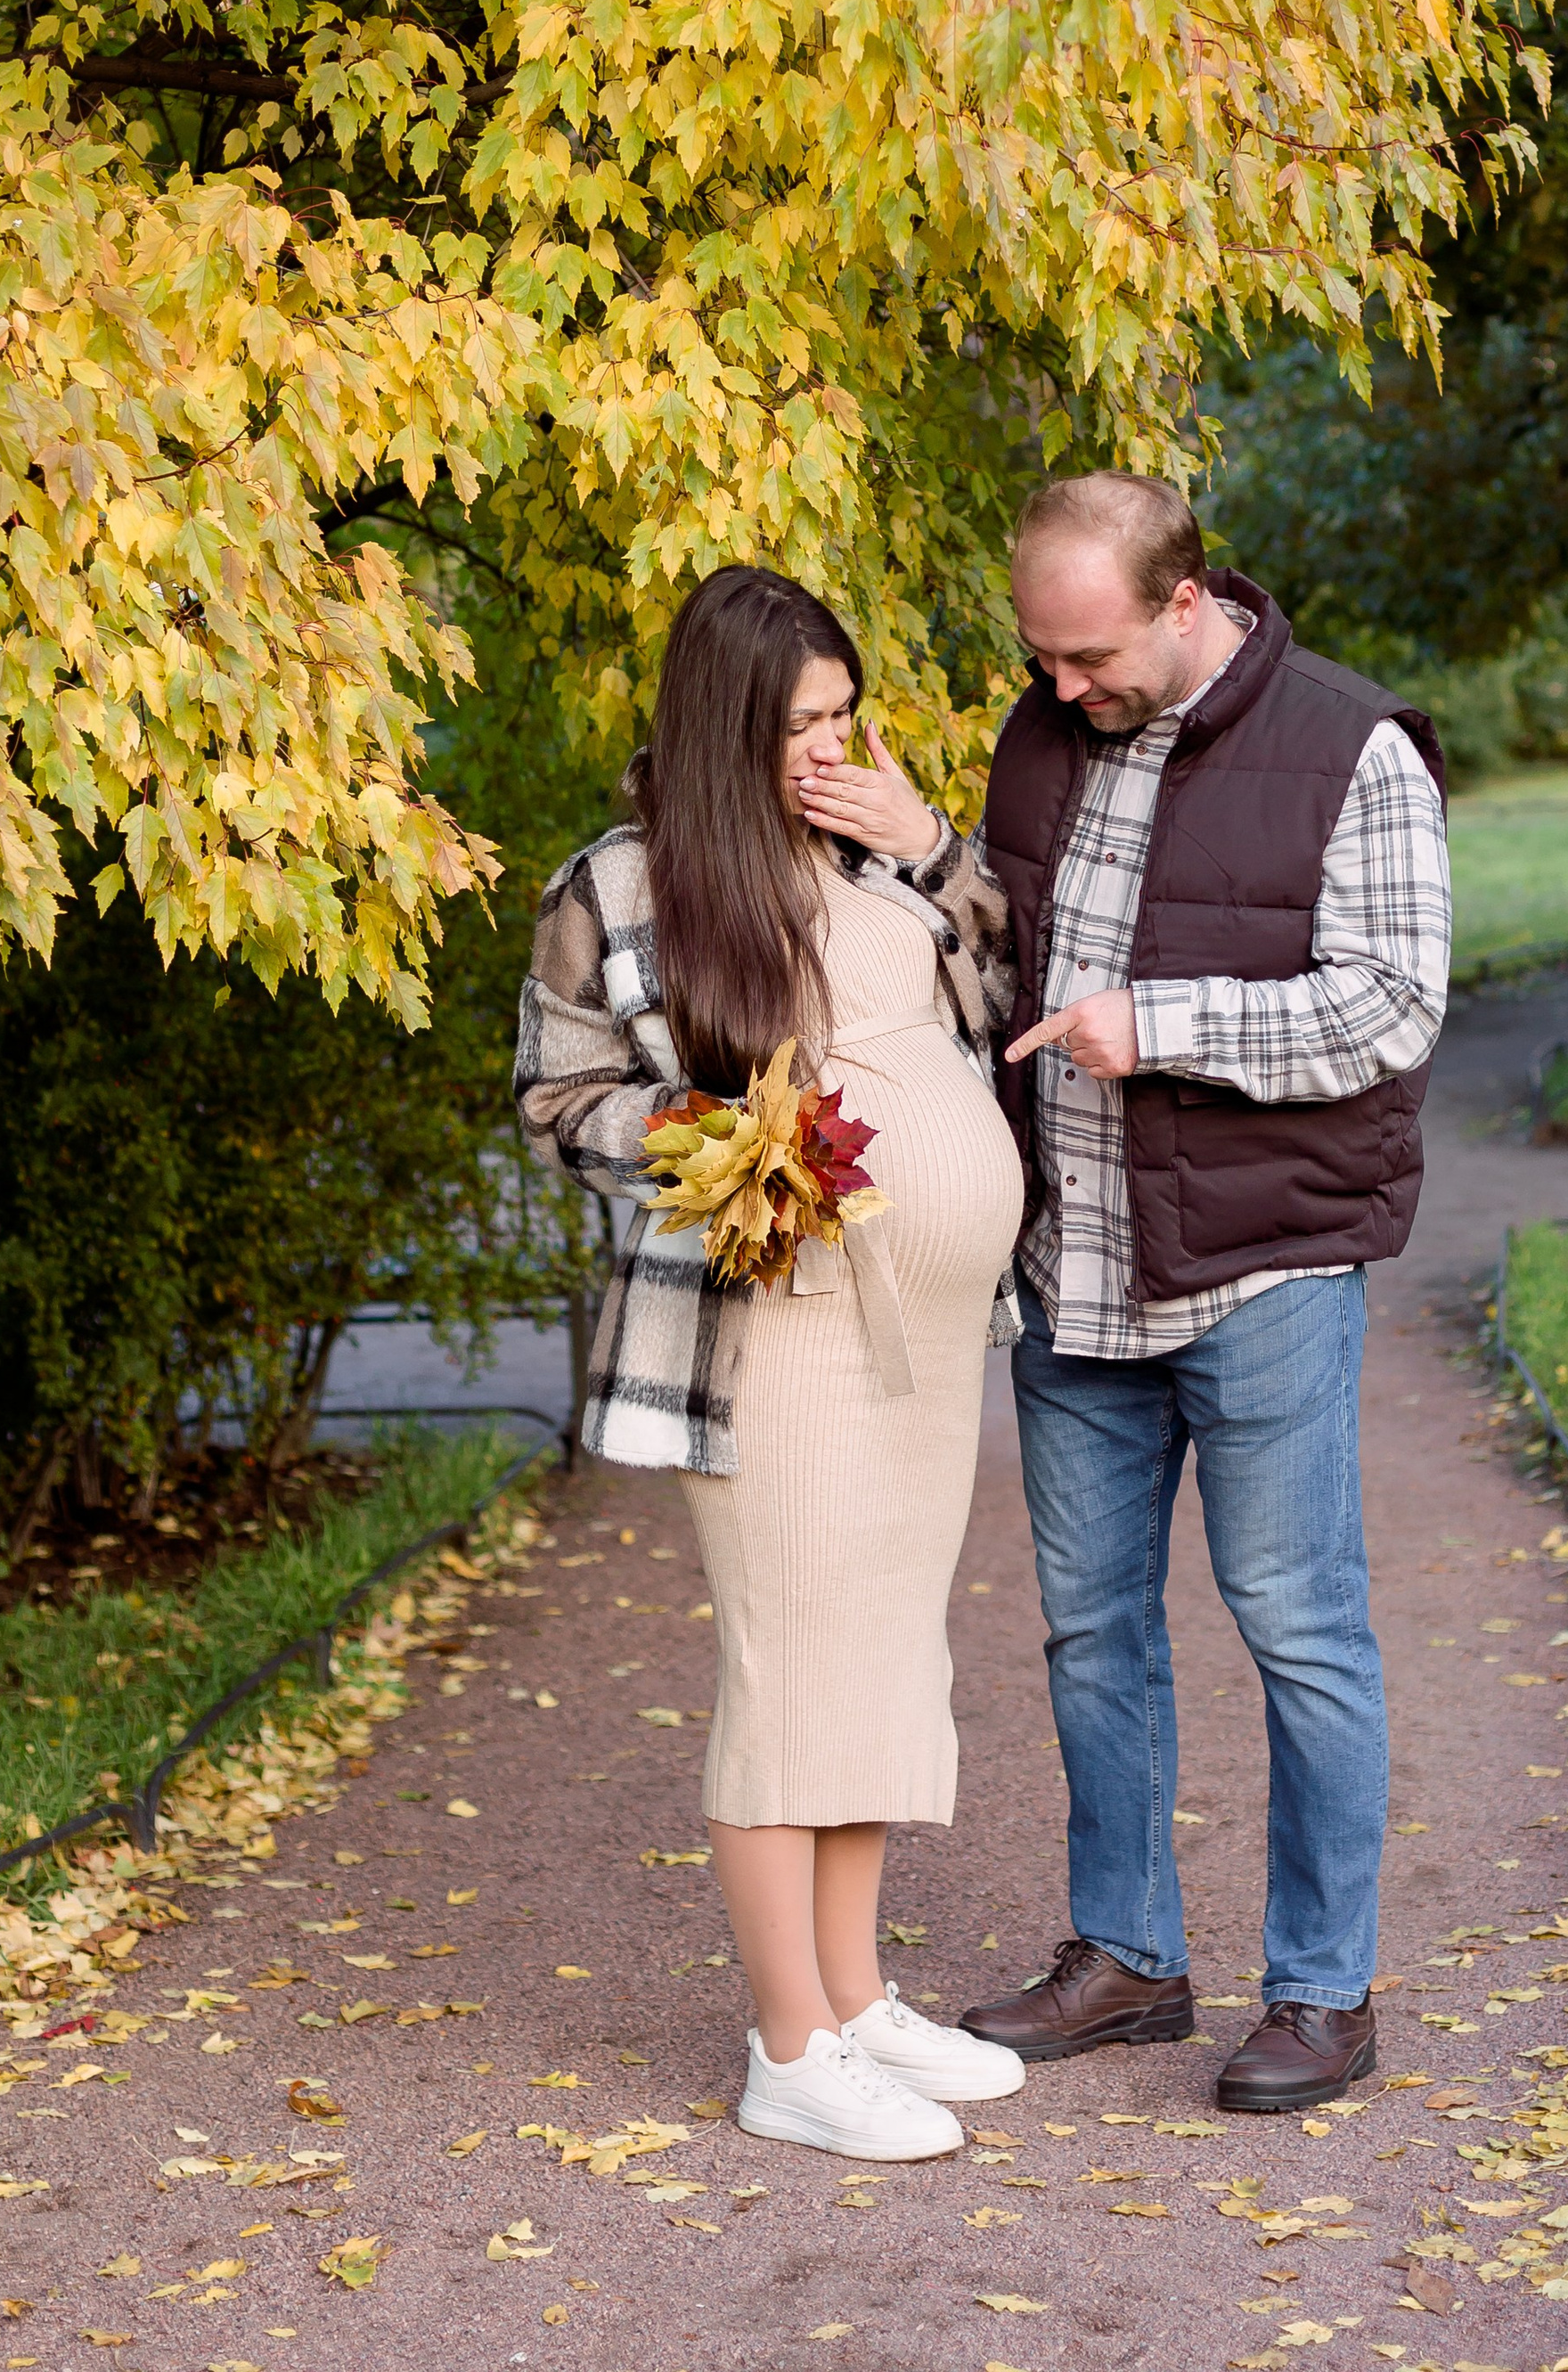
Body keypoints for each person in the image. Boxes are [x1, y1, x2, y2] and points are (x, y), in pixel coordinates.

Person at [514, 565, 1030, 2160]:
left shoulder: (866, 836)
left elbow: (1000, 983)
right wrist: (707, 1136)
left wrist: (926, 835)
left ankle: (859, 1996)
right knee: (790, 1674)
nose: (829, 745)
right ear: (725, 723)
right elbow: (553, 1096)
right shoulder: (619, 884)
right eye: (801, 723)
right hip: (769, 1329)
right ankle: (790, 2044)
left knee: (885, 1657)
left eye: (844, 715)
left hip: (930, 1332)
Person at [955, 473, 1450, 2113]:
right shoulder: (1043, 730)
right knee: (1092, 1634)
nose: (1059, 687)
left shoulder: (1354, 747)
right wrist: (920, 859)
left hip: (1259, 1275)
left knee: (1300, 1631)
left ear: (1183, 605)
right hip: (1074, 1272)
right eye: (1041, 655)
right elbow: (1001, 957)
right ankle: (1128, 1961)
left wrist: (1157, 1023)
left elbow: (1388, 1007)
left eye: (1087, 655)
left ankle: (1324, 1990)